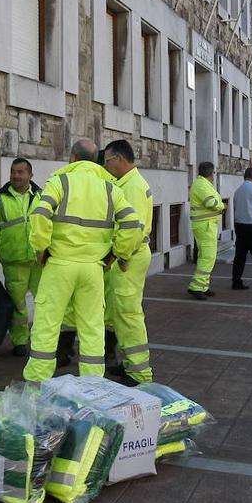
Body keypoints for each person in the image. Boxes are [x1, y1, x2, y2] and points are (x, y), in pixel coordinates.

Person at [23, 140, 142, 382]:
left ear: (72, 158)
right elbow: (133, 225)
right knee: (92, 328)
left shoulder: (59, 182)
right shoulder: (111, 189)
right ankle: (92, 385)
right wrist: (117, 254)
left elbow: (39, 215)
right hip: (93, 269)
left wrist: (41, 248)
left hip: (60, 265)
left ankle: (37, 383)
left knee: (47, 325)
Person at [102, 140, 154, 384]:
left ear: (119, 159)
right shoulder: (129, 182)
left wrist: (120, 256)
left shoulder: (131, 186)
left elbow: (132, 228)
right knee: (120, 311)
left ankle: (139, 373)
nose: (105, 165)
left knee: (128, 313)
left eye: (107, 160)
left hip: (128, 257)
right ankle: (129, 364)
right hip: (131, 255)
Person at [0, 157, 42, 357]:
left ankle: (42, 342)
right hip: (14, 260)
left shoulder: (42, 196)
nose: (16, 176)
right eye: (13, 171)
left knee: (44, 303)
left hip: (39, 259)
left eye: (21, 172)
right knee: (18, 306)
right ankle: (20, 342)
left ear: (30, 175)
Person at [187, 162, 225, 299]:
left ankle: (203, 286)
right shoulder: (202, 185)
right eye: (214, 173)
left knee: (206, 256)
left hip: (206, 225)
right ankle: (196, 287)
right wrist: (221, 205)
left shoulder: (201, 184)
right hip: (205, 226)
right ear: (211, 173)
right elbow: (211, 203)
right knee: (208, 257)